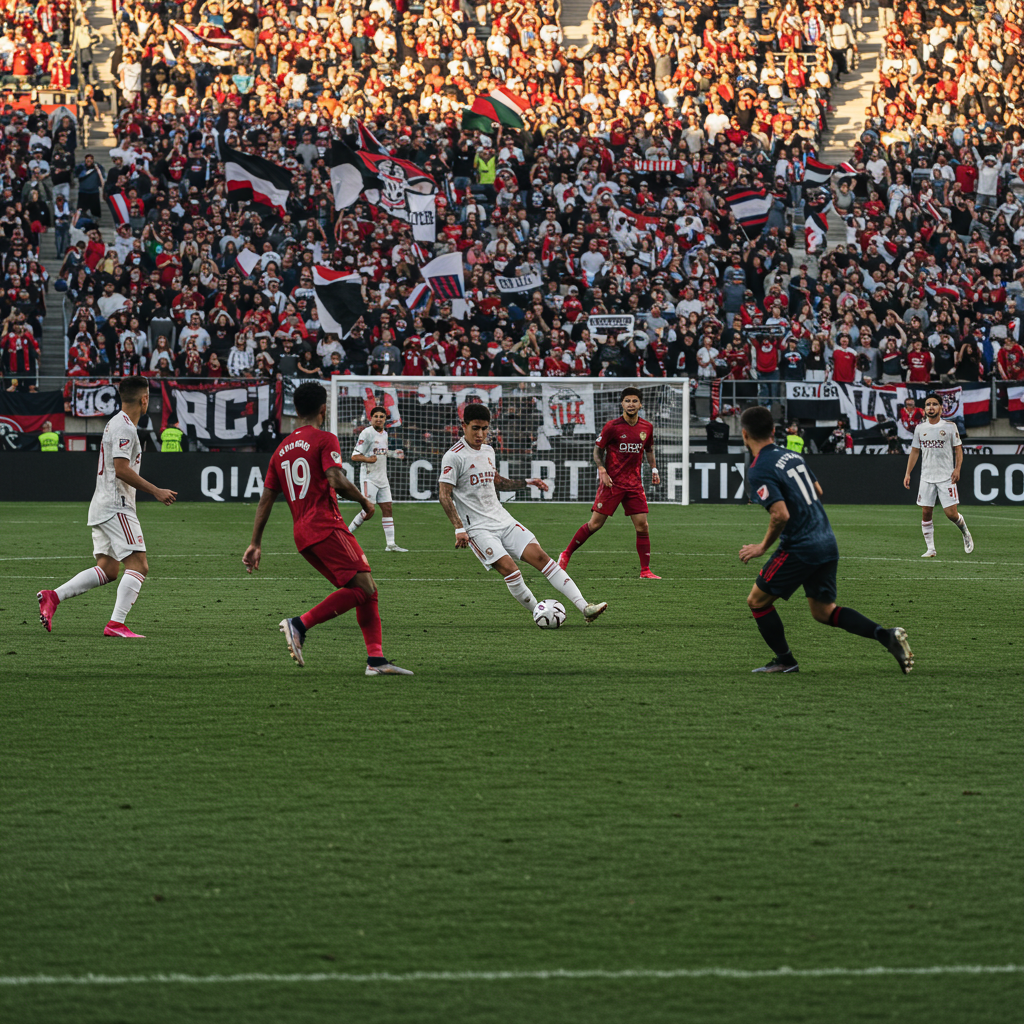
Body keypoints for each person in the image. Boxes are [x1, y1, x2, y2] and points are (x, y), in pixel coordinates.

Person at [242, 382, 412, 676]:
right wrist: (363, 501)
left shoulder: (280, 451)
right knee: (363, 588)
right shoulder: (324, 439)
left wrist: (255, 543)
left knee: (364, 588)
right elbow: (335, 478)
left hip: (303, 535)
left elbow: (266, 499)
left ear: (296, 410)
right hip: (326, 526)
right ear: (323, 409)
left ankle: (376, 661)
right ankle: (299, 624)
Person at [738, 405, 914, 674]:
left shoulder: (759, 467)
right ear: (774, 431)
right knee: (823, 612)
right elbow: (818, 490)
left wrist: (762, 547)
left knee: (757, 601)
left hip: (800, 546)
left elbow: (780, 515)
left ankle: (786, 660)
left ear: (744, 434)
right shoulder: (792, 455)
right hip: (826, 540)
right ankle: (886, 635)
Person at [438, 403, 608, 626]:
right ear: (464, 426)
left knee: (542, 558)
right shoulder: (454, 456)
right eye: (475, 428)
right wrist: (459, 527)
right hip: (478, 529)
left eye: (485, 429)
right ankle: (540, 613)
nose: (480, 434)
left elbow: (496, 482)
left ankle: (585, 607)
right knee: (511, 569)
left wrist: (528, 482)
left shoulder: (488, 450)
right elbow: (444, 494)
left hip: (503, 520)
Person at [37, 377, 178, 638]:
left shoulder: (116, 423)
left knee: (109, 568)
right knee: (139, 564)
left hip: (103, 503)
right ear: (144, 399)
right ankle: (116, 624)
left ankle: (52, 597)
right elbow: (122, 470)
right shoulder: (125, 427)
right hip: (116, 505)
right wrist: (156, 491)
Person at [558, 387, 661, 579]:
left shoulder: (647, 427)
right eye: (627, 401)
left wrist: (654, 468)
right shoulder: (612, 426)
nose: (631, 404)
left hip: (634, 485)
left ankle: (645, 571)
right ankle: (566, 554)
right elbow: (598, 450)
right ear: (622, 403)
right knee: (595, 524)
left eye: (634, 401)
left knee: (642, 526)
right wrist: (602, 470)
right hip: (612, 483)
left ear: (641, 404)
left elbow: (649, 449)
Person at [903, 392, 973, 558]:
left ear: (941, 408)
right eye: (928, 404)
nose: (931, 407)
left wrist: (957, 469)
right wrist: (907, 473)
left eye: (934, 404)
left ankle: (965, 532)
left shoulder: (949, 427)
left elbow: (958, 449)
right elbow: (914, 451)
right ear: (925, 408)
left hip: (946, 477)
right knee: (926, 512)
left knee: (951, 514)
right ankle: (931, 549)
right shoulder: (920, 428)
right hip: (926, 477)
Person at [347, 405, 407, 552]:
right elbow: (354, 456)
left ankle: (391, 544)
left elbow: (381, 453)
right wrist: (368, 459)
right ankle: (346, 535)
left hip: (382, 478)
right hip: (369, 478)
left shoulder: (384, 434)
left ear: (385, 419)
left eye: (382, 417)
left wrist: (394, 454)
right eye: (376, 416)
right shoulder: (366, 433)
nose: (379, 419)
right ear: (371, 418)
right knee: (369, 510)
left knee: (387, 508)